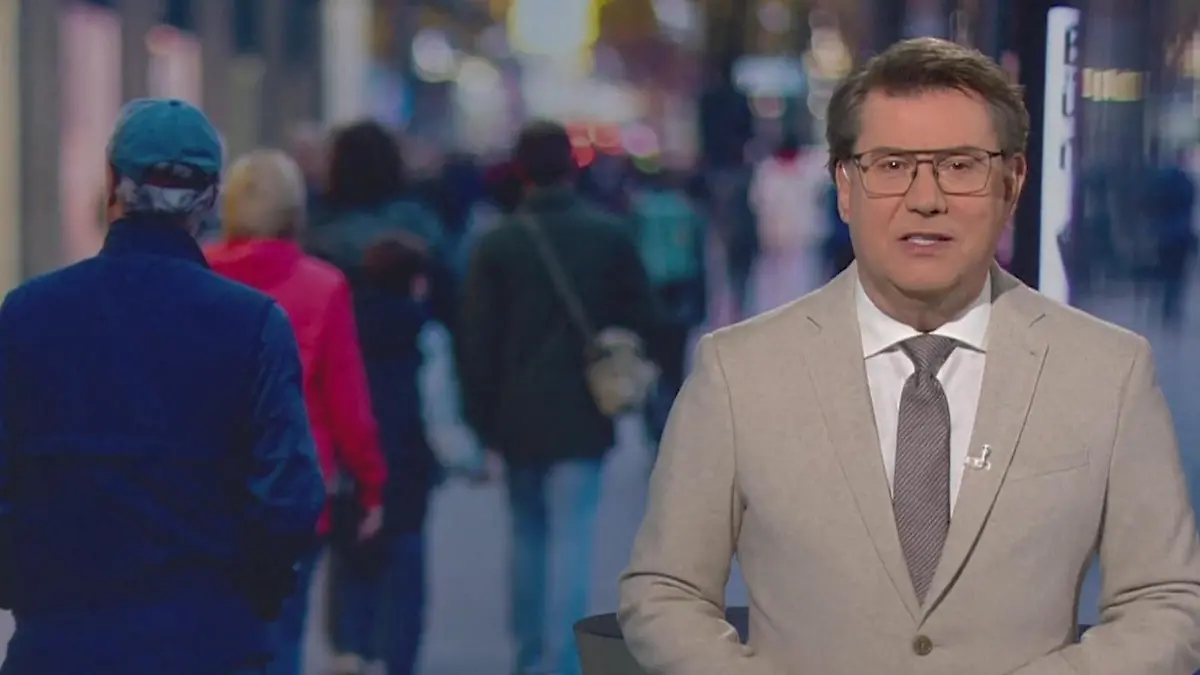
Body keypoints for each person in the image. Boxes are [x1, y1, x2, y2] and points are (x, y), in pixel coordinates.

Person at [618, 38, 1200, 675]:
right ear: (845, 186)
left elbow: (1166, 600)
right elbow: (664, 592)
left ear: (1013, 183)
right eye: (892, 166)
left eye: (960, 165)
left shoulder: (1108, 371)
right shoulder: (738, 371)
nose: (926, 198)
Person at [0, 99, 326, 675]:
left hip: (59, 642)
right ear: (209, 201)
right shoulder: (253, 326)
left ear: (111, 184)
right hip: (207, 642)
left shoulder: (26, 315)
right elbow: (288, 501)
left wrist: (27, 590)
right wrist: (251, 602)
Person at [460, 120, 658, 675]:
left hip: (514, 412)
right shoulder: (609, 235)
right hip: (583, 408)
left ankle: (528, 656)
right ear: (572, 168)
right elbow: (643, 318)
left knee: (526, 534)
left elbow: (475, 339)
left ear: (519, 170)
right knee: (571, 535)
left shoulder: (498, 242)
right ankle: (561, 661)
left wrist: (479, 420)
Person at [205, 149, 389, 675]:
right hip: (293, 487)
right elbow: (348, 402)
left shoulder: (196, 273)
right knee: (281, 636)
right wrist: (372, 485)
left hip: (205, 487)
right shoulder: (323, 286)